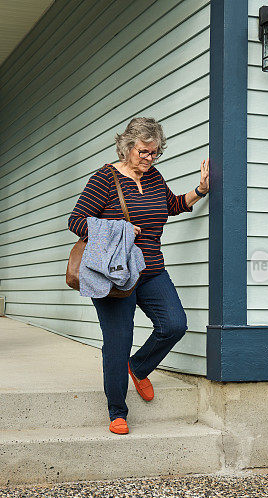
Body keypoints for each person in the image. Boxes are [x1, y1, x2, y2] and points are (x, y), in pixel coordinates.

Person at [68, 117, 210, 435]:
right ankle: (117, 410)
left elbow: (170, 205)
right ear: (128, 146)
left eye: (154, 153)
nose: (148, 158)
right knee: (118, 343)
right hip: (116, 275)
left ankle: (139, 366)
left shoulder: (154, 177)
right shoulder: (104, 179)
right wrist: (118, 229)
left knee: (174, 324)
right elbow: (76, 221)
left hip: (151, 269)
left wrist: (201, 190)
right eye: (144, 152)